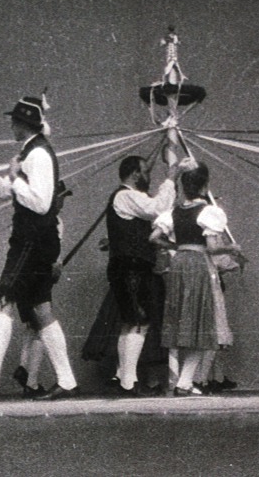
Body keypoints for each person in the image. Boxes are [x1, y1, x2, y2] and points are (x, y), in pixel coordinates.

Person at [0, 95, 79, 400]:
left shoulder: (38, 154)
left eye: (13, 121)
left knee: (2, 300)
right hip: (38, 240)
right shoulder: (32, 151)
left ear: (22, 123)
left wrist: (15, 177)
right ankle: (68, 382)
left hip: (31, 239)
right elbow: (9, 193)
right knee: (41, 308)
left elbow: (40, 203)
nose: (11, 126)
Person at [100, 149, 183, 395]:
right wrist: (172, 176)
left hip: (128, 267)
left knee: (131, 323)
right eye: (146, 172)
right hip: (132, 268)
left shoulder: (124, 198)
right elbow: (158, 207)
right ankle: (128, 383)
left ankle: (124, 379)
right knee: (139, 321)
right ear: (135, 174)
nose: (148, 176)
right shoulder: (126, 195)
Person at [150, 162, 236, 397]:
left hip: (179, 264)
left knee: (184, 319)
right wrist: (231, 248)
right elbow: (212, 247)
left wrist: (177, 247)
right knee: (202, 321)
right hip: (198, 264)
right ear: (205, 186)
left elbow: (154, 237)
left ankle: (183, 381)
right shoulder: (209, 212)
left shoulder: (173, 212)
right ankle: (185, 381)